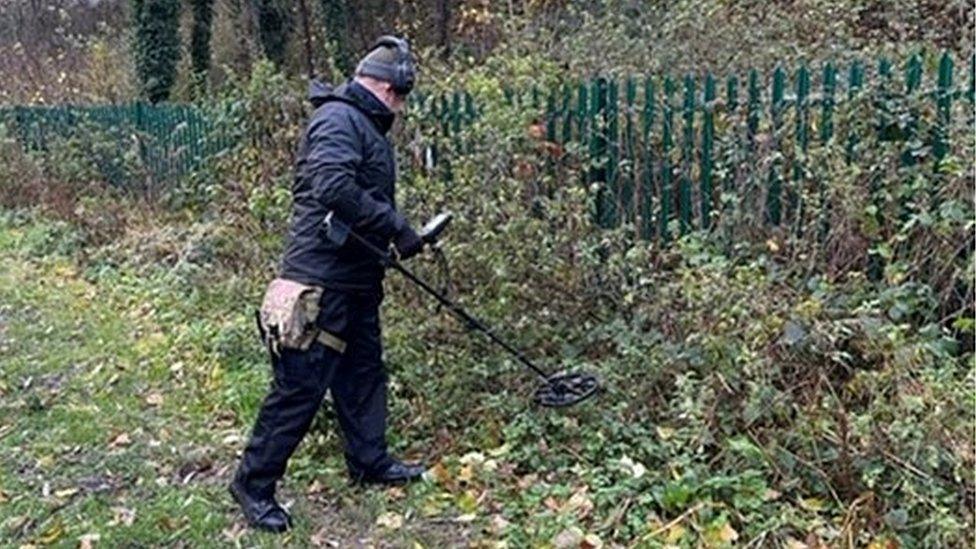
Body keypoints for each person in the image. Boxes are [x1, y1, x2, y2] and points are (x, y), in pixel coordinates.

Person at [229, 35, 426, 533]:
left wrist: (392, 240)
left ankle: (369, 462)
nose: (400, 106)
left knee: (363, 374)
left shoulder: (363, 124)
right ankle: (252, 485)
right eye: (399, 94)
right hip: (320, 280)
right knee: (299, 387)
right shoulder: (338, 120)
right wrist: (394, 224)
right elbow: (332, 187)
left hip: (357, 276)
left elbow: (352, 200)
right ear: (381, 85)